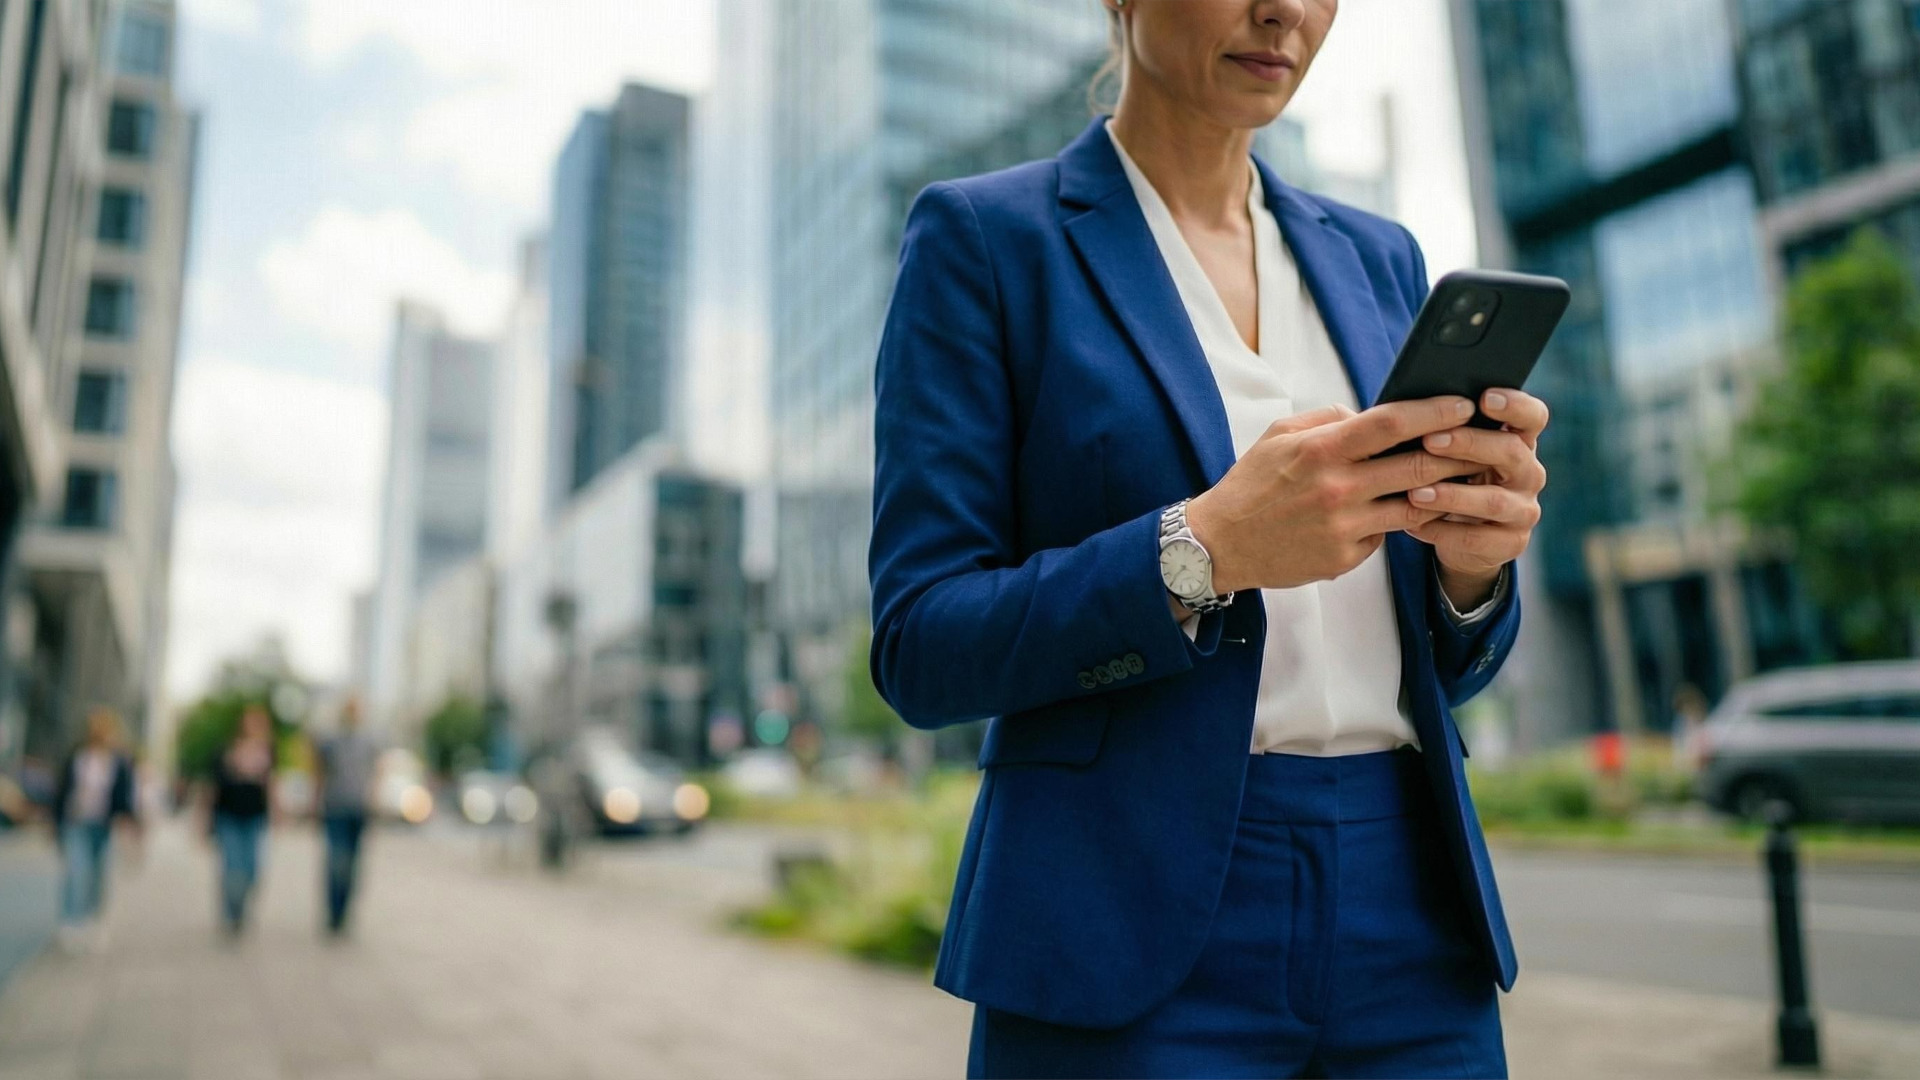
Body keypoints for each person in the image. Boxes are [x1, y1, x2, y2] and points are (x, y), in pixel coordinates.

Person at [867, 2, 1551, 1076]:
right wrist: (1201, 549)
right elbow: (921, 643)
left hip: (1411, 908)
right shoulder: (987, 239)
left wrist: (1471, 574)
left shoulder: (1379, 257)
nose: (1285, 10)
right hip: (1120, 913)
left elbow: (1441, 660)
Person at [50, 708, 141, 949]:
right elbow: (62, 791)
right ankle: (70, 921)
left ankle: (93, 919)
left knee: (99, 875)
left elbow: (124, 796)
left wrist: (130, 822)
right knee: (76, 872)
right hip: (76, 822)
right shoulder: (77, 757)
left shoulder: (118, 762)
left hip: (104, 825)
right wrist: (55, 823)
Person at [204, 704, 276, 937]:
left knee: (252, 868)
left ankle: (241, 908)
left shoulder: (267, 751)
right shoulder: (227, 750)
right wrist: (204, 818)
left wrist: (278, 811)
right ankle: (231, 913)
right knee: (232, 866)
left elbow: (271, 784)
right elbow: (213, 787)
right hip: (229, 815)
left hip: (255, 816)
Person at [312, 698, 380, 936]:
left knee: (352, 865)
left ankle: (344, 913)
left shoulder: (369, 742)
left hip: (358, 809)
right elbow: (320, 773)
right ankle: (333, 912)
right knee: (337, 862)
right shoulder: (330, 741)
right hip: (336, 808)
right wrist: (315, 803)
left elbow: (374, 774)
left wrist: (373, 802)